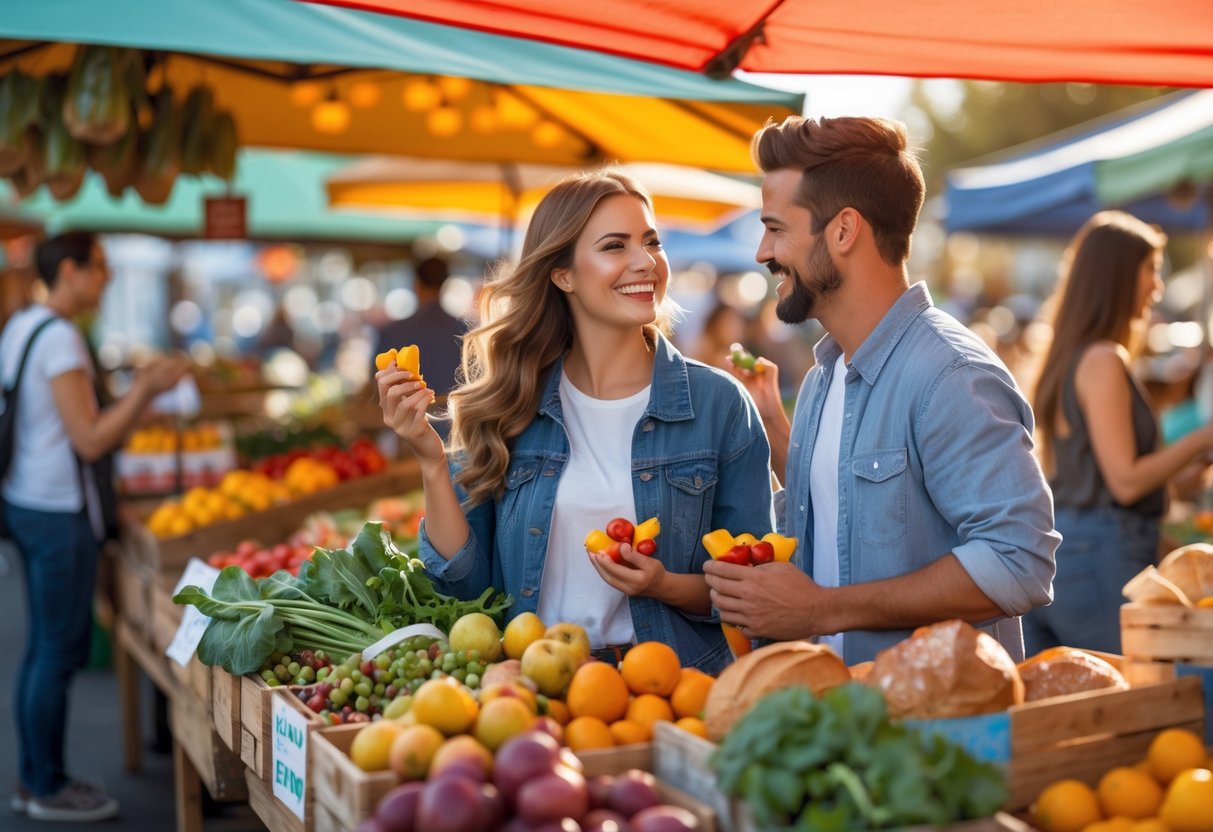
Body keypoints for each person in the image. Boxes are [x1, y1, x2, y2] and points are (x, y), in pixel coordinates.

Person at [377, 170, 774, 674]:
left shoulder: (719, 405)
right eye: (615, 246)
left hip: (674, 691)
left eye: (651, 242)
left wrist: (663, 585)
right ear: (563, 274)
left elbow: (757, 591)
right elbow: (464, 589)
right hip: (532, 687)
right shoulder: (509, 405)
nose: (644, 262)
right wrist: (432, 462)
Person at [704, 116, 1060, 665]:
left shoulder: (949, 374)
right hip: (838, 720)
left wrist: (824, 609)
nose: (761, 251)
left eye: (775, 228)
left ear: (844, 230)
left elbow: (1018, 562)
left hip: (932, 739)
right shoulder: (826, 374)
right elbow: (838, 518)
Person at [1, 232, 189, 822]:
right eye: (101, 268)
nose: (106, 280)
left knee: (43, 648)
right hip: (58, 512)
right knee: (55, 651)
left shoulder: (21, 326)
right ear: (71, 272)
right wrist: (146, 391)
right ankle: (44, 784)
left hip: (26, 501)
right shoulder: (60, 339)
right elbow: (90, 438)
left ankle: (36, 777)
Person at [1023, 211, 1213, 654]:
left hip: (1065, 557)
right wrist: (1202, 438)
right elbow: (1125, 482)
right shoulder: (1104, 359)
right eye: (1151, 271)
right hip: (1098, 558)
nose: (1157, 287)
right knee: (1143, 699)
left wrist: (1182, 475)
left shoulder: (1070, 358)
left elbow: (1099, 476)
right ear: (1118, 276)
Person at [374, 256, 466, 397]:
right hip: (457, 415)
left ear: (417, 285)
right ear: (444, 284)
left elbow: (378, 384)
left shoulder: (392, 332)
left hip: (409, 416)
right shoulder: (465, 331)